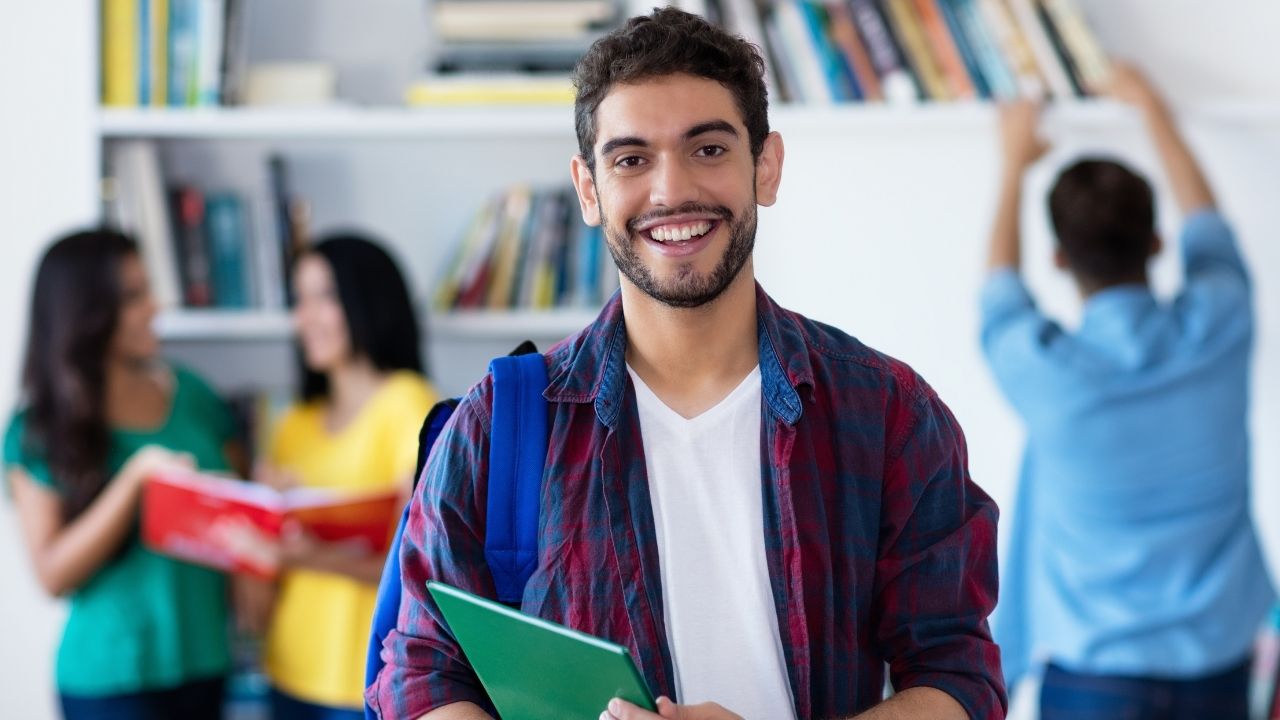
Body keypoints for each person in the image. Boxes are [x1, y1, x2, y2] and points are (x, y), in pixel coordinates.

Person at [368, 9, 1004, 720]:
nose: (671, 191)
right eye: (631, 159)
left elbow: (959, 680)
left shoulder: (886, 412)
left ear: (766, 167)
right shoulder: (500, 423)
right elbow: (420, 676)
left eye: (707, 149)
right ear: (588, 189)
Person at [982, 65, 1276, 719]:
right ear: (1156, 241)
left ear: (1058, 258)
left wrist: (1013, 164)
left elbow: (998, 298)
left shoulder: (1046, 374)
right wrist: (1153, 110)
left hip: (1095, 682)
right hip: (1217, 671)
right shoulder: (1221, 327)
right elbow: (1212, 236)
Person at [3, 229, 243, 719]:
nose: (154, 306)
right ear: (85, 311)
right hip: (109, 679)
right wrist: (135, 480)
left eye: (148, 289)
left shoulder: (194, 396)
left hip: (206, 664)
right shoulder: (38, 430)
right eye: (133, 296)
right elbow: (52, 573)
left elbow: (233, 508)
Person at [257, 234, 439, 719]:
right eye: (299, 300)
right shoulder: (291, 424)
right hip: (286, 669)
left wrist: (314, 555)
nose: (305, 317)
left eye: (325, 297)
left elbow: (415, 567)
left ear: (366, 302)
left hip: (364, 677)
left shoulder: (409, 405)